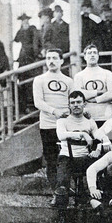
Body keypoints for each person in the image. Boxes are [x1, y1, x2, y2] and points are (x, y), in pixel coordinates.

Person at [54, 91, 112, 223]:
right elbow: (61, 135)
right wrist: (82, 134)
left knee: (102, 173)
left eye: (79, 102)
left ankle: (102, 214)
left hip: (84, 158)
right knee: (62, 183)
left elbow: (98, 134)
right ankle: (62, 219)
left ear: (84, 104)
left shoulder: (89, 121)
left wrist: (105, 140)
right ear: (69, 105)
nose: (76, 105)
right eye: (73, 103)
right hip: (67, 157)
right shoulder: (63, 121)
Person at [33, 48, 74, 193]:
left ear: (62, 61)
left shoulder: (69, 81)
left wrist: (69, 114)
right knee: (51, 160)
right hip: (48, 125)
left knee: (67, 157)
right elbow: (38, 102)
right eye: (48, 58)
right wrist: (54, 111)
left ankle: (66, 188)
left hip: (66, 126)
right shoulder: (39, 80)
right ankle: (56, 192)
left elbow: (73, 101)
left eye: (55, 58)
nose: (51, 61)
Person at [73, 44, 112, 128]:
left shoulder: (107, 73)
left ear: (98, 56)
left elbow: (111, 94)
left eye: (94, 53)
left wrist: (95, 99)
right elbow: (79, 95)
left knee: (108, 140)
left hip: (106, 115)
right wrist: (99, 92)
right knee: (90, 140)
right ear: (84, 56)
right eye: (89, 53)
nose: (92, 55)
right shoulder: (79, 76)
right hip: (88, 115)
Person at [13, 13, 40, 114]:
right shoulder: (20, 31)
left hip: (31, 57)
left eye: (26, 20)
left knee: (32, 80)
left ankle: (32, 103)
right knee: (23, 80)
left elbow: (35, 43)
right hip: (23, 58)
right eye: (23, 21)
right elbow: (16, 40)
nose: (25, 22)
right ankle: (24, 105)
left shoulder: (32, 29)